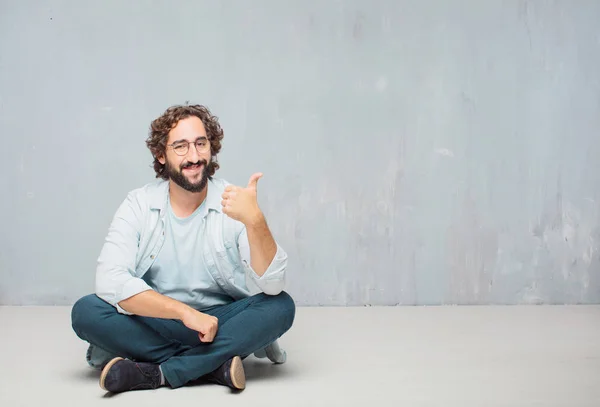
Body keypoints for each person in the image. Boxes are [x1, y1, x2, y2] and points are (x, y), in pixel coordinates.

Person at [71, 104, 296, 393]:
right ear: (161, 155)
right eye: (180, 146)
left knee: (280, 305)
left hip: (219, 323)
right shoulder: (138, 205)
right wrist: (184, 313)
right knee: (86, 311)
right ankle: (213, 366)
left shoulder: (233, 203)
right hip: (156, 321)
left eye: (201, 143)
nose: (194, 156)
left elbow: (273, 284)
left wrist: (256, 221)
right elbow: (111, 279)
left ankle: (159, 373)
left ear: (211, 147)